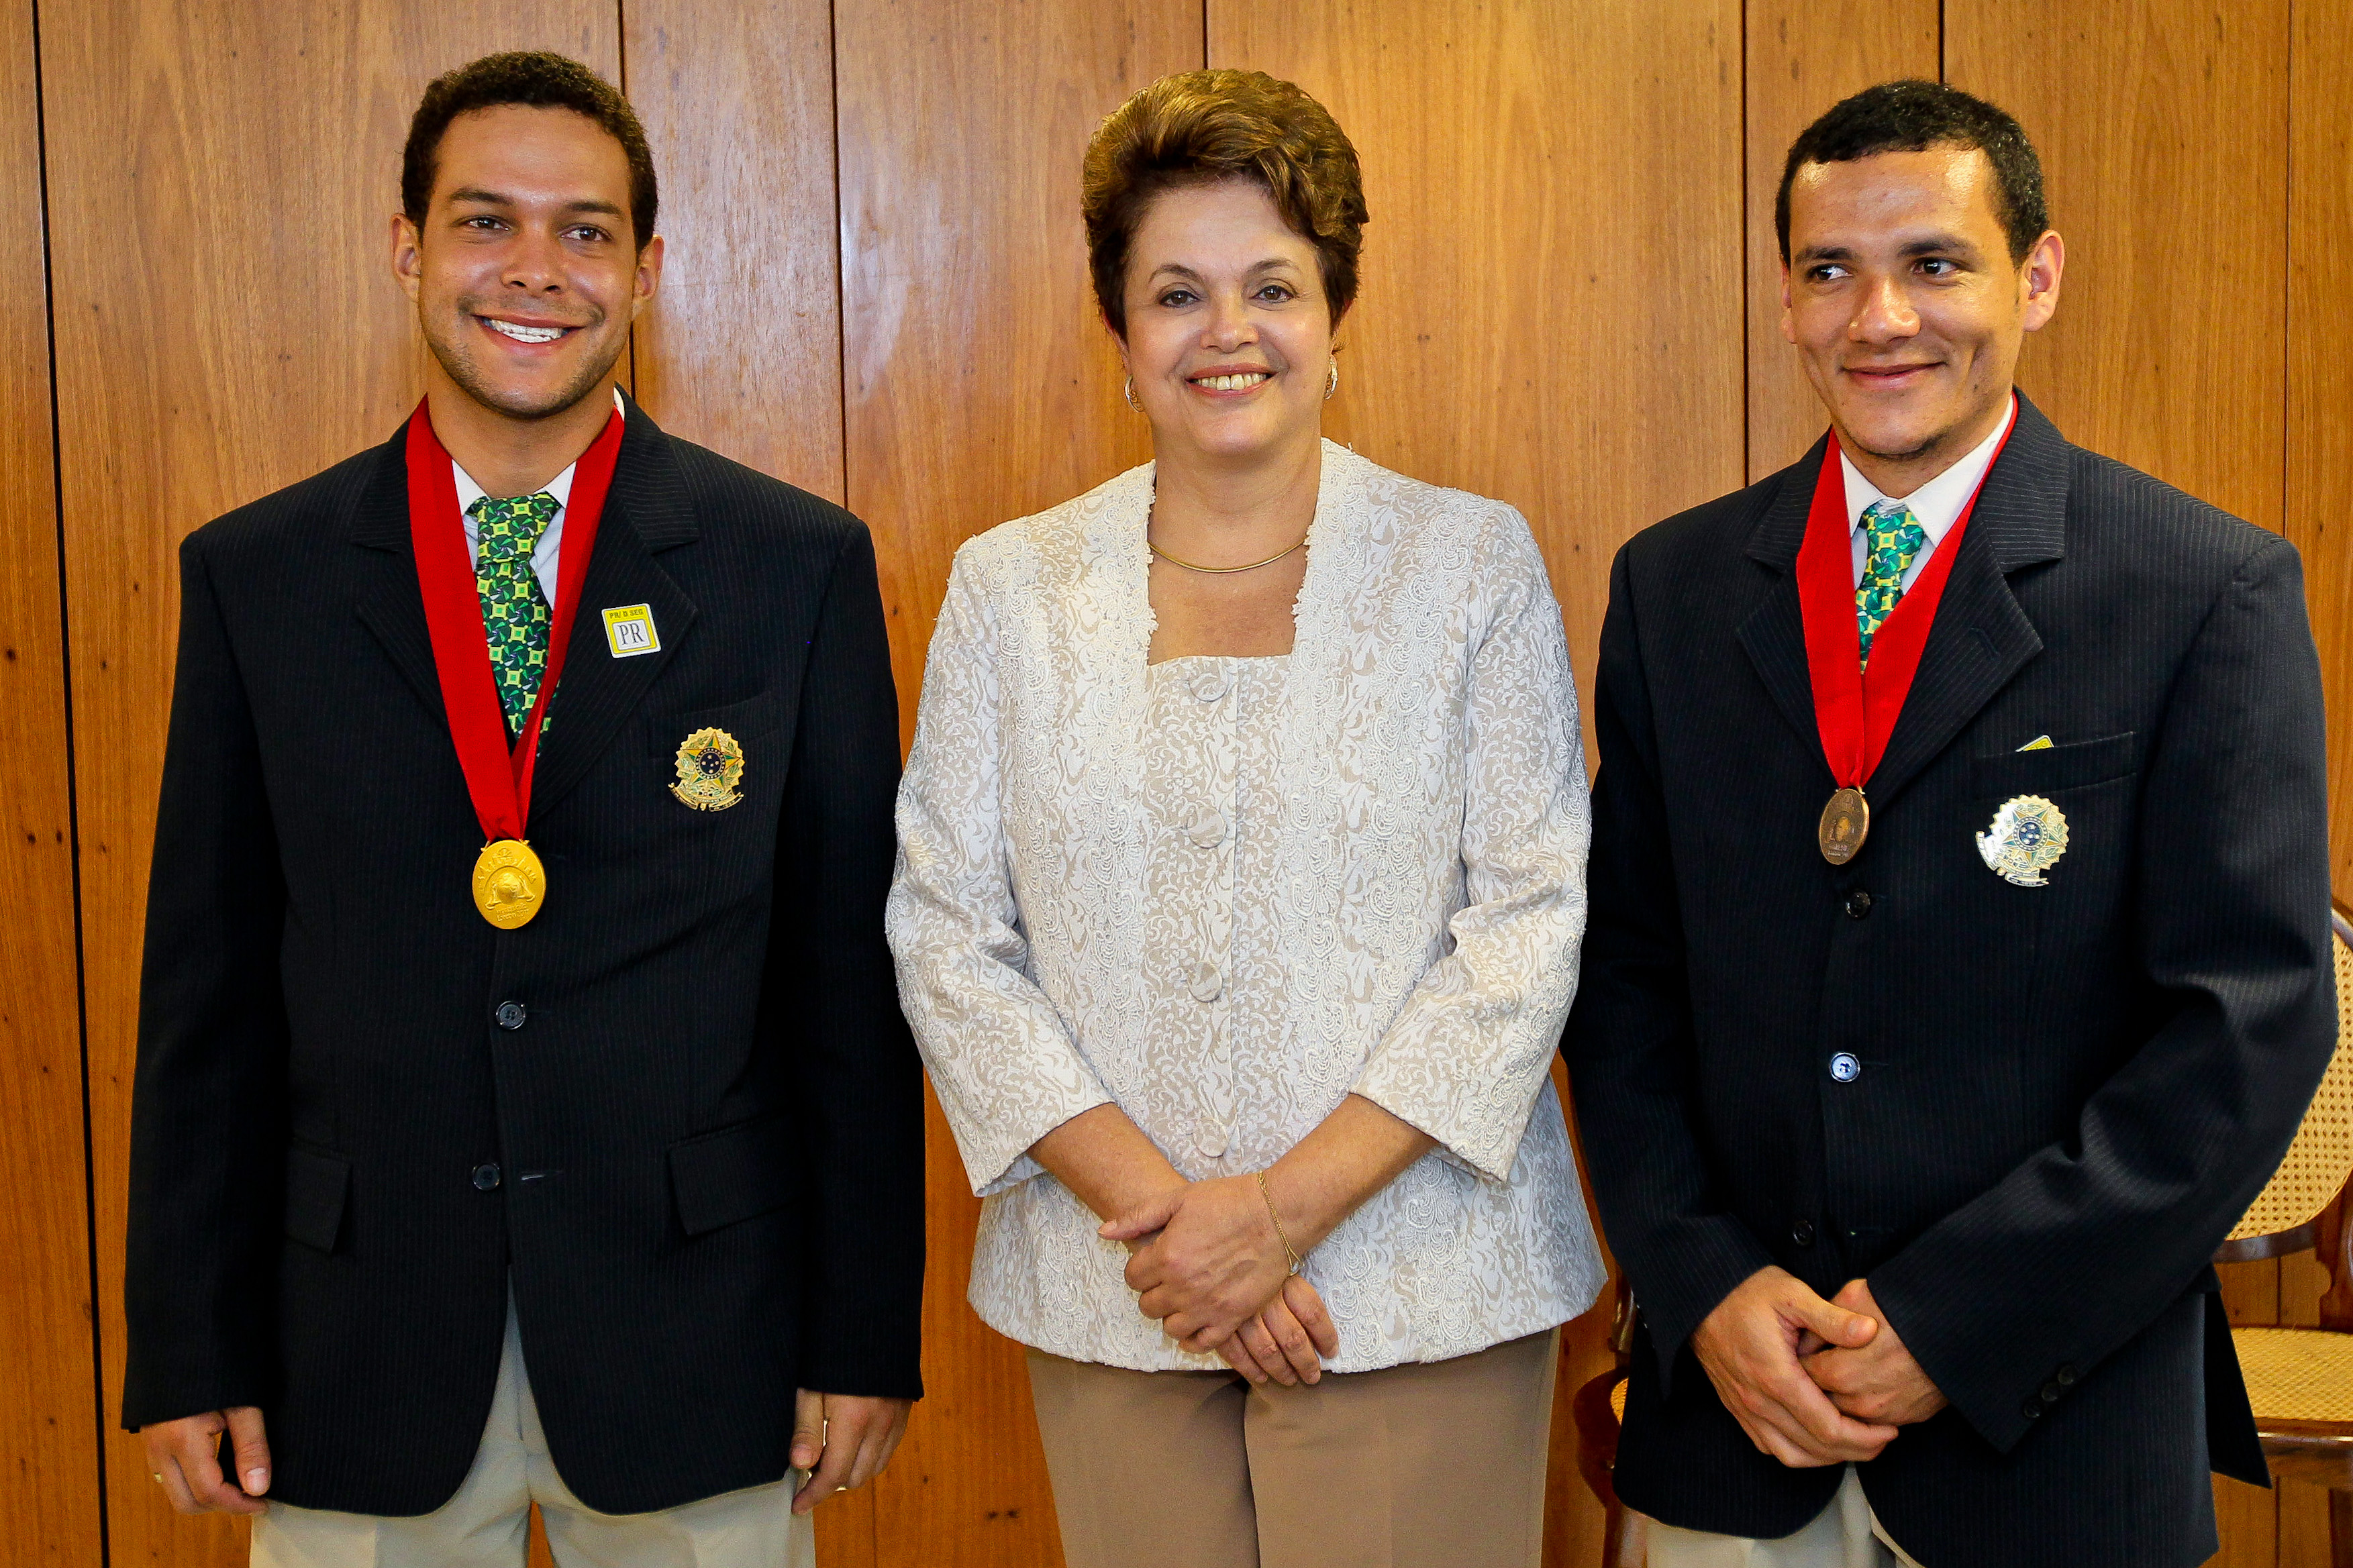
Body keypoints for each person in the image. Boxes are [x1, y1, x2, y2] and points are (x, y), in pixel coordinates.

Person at [121, 51, 923, 1567]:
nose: (535, 272)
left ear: (647, 268)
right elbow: (206, 996)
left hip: (702, 1334)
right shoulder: (261, 578)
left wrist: (864, 1325)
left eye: (585, 231)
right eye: (487, 222)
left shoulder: (789, 565)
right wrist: (186, 1344)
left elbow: (847, 992)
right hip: (349, 1349)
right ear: (409, 245)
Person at [1563, 79, 2334, 1568]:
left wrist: (1953, 1319)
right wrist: (1705, 1285)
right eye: (1828, 270)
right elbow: (1625, 983)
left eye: (1934, 262)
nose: (1880, 319)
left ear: (2035, 277)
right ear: (1784, 298)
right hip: (1738, 1418)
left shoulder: (2200, 590)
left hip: (2048, 1434)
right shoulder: (1672, 589)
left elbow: (2245, 1025)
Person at [886, 68, 1602, 1568]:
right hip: (1115, 1285)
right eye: (1175, 293)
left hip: (1419, 1288)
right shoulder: (1007, 587)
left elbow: (1527, 920)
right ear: (1120, 332)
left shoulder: (1469, 566)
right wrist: (1177, 1224)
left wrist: (1278, 1210)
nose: (1226, 333)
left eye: (1270, 285)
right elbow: (947, 931)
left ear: (1334, 312)